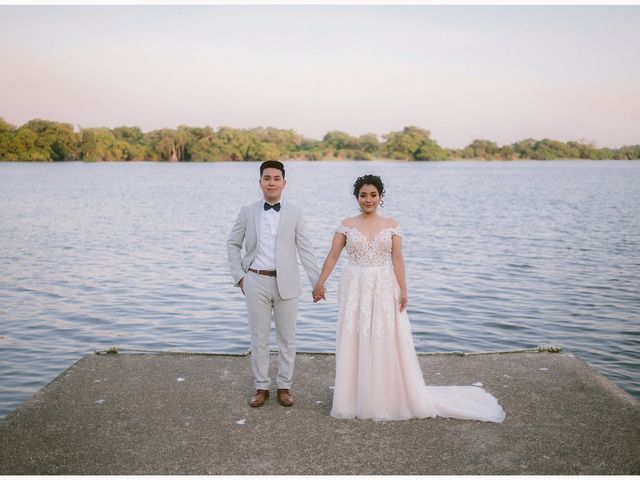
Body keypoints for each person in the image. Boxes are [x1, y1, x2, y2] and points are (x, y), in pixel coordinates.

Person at [312, 174, 506, 422]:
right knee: (355, 336)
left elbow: (398, 258)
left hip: (383, 285)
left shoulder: (392, 225)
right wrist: (320, 283)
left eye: (373, 195)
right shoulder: (346, 225)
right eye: (363, 195)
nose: (368, 199)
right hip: (355, 285)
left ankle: (385, 396)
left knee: (384, 337)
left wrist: (404, 289)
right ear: (356, 197)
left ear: (380, 197)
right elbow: (333, 255)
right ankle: (353, 397)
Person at [227, 160, 320, 408]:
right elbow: (232, 244)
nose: (271, 182)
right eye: (267, 178)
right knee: (258, 338)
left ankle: (284, 386)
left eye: (276, 178)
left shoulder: (296, 212)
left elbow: (306, 249)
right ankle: (261, 387)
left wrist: (317, 282)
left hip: (287, 283)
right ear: (260, 183)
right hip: (255, 280)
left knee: (287, 338)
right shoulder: (247, 211)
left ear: (284, 183)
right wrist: (240, 277)